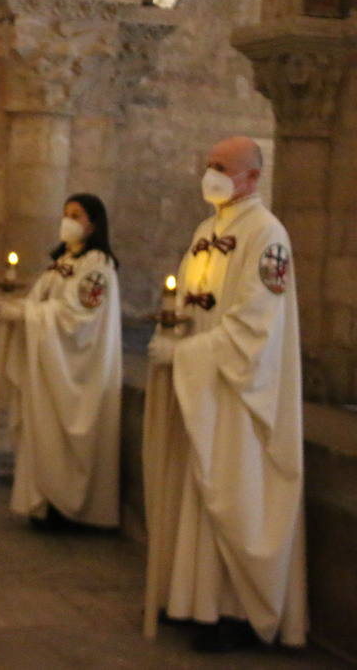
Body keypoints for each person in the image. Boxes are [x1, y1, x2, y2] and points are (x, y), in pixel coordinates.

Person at [144, 136, 307, 652]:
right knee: (196, 490)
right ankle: (195, 602)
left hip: (240, 392)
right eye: (208, 164)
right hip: (203, 387)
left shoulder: (267, 235)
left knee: (235, 492)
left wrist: (189, 355)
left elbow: (256, 324)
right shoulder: (205, 230)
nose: (210, 174)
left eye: (222, 166)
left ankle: (237, 611)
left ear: (252, 177)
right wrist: (172, 336)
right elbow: (193, 300)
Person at [0, 193, 121, 530]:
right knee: (42, 432)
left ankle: (69, 508)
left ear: (93, 223)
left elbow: (79, 318)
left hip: (76, 371)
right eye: (65, 213)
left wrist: (27, 314)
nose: (68, 221)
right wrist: (21, 308)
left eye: (76, 215)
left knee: (64, 437)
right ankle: (44, 502)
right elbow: (45, 302)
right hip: (49, 365)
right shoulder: (64, 259)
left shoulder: (98, 266)